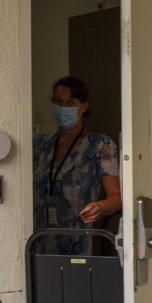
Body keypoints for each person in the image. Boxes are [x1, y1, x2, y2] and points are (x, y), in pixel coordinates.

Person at [33, 76, 121, 255]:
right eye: (59, 101)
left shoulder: (100, 145)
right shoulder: (40, 145)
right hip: (39, 240)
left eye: (70, 102)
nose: (63, 107)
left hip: (78, 241)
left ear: (83, 107)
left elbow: (117, 198)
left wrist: (100, 207)